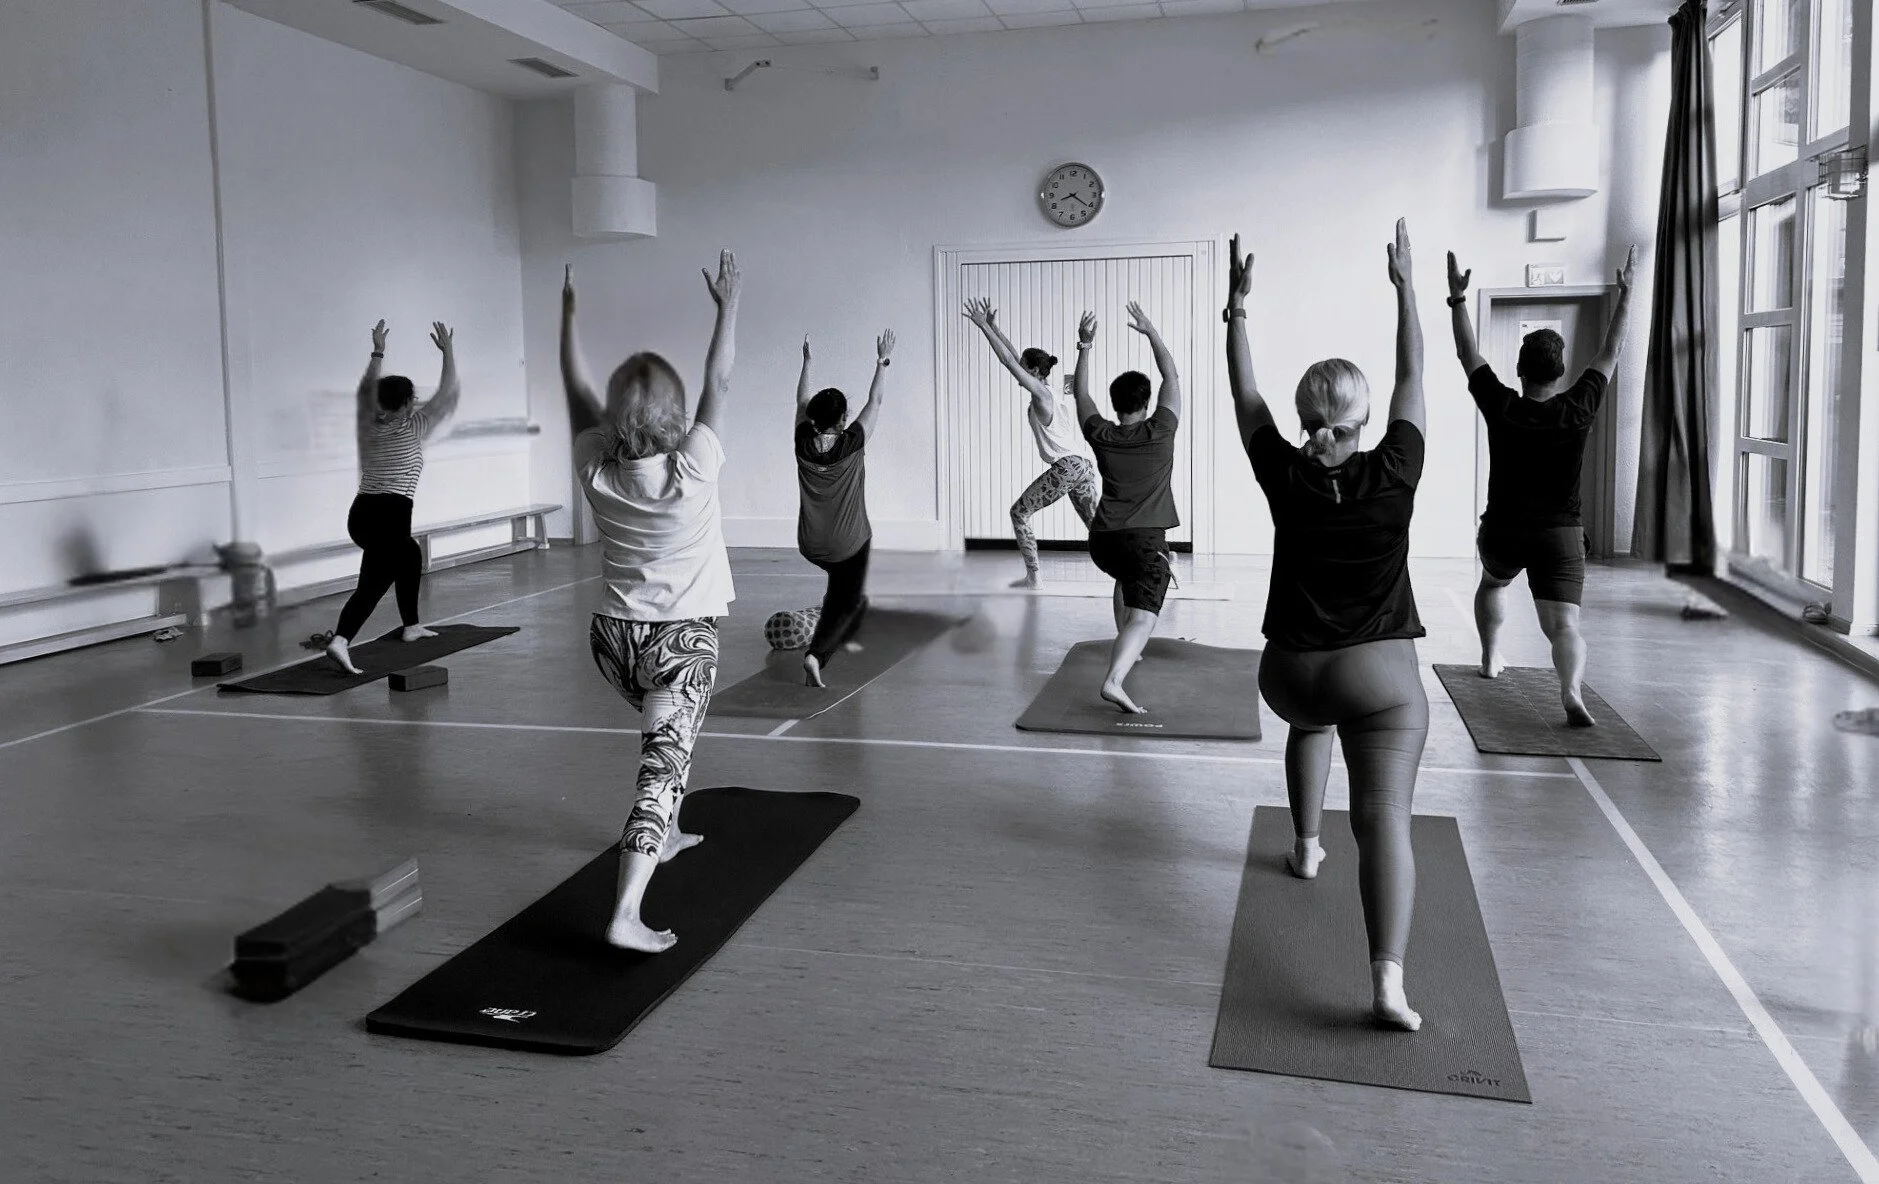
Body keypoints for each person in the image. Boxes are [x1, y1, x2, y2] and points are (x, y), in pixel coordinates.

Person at [1229, 222, 1430, 1031]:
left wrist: (1235, 313)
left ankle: (1306, 846)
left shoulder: (1282, 472)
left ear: (1305, 416)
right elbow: (1417, 372)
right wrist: (1406, 285)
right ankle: (1385, 985)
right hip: (1371, 678)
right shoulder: (1396, 467)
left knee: (1309, 721)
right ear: (1364, 419)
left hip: (1288, 674)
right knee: (1382, 818)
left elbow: (1245, 401)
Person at [559, 253, 739, 954]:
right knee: (660, 771)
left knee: (671, 748)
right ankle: (625, 914)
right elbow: (717, 379)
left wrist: (567, 313)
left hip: (612, 643)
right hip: (679, 642)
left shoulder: (593, 464)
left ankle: (664, 839)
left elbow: (573, 386)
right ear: (673, 411)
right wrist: (728, 305)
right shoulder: (694, 462)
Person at [1447, 245, 1636, 727]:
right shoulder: (1579, 407)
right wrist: (1627, 293)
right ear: (1561, 371)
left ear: (1520, 369)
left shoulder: (1503, 405)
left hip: (1505, 528)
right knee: (1564, 626)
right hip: (1560, 533)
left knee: (1493, 582)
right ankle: (1570, 689)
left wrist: (1457, 300)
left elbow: (1467, 354)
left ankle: (1491, 659)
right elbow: (1611, 352)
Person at [325, 319, 460, 675]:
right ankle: (341, 640)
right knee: (374, 582)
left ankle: (411, 625)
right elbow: (448, 390)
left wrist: (378, 352)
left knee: (410, 554)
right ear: (405, 405)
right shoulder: (416, 424)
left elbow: (364, 389)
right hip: (389, 514)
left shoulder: (366, 422)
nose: (416, 402)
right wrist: (448, 352)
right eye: (412, 399)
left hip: (363, 514)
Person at [1072, 301, 1181, 715]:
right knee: (1146, 615)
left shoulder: (1101, 433)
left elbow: (1080, 394)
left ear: (1116, 405)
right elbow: (1170, 374)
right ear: (1146, 401)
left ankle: (1126, 650)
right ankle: (1114, 680)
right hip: (1144, 541)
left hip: (1103, 541)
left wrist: (1084, 345)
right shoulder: (1162, 430)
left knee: (1125, 577)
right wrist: (1152, 332)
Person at [962, 298, 1100, 588]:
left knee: (1019, 512)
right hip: (1084, 466)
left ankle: (1033, 576)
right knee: (1098, 529)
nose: (1021, 374)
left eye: (1026, 370)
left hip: (1067, 467)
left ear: (1034, 373)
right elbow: (1014, 357)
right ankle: (1158, 556)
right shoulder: (1051, 390)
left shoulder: (1041, 395)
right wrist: (994, 326)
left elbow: (1008, 361)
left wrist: (982, 328)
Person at [794, 329, 895, 688]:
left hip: (810, 543)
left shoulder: (802, 440)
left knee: (840, 590)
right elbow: (876, 401)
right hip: (847, 543)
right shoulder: (853, 441)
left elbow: (801, 400)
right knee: (850, 599)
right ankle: (817, 655)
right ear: (842, 420)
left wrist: (807, 360)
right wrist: (882, 361)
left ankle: (836, 629)